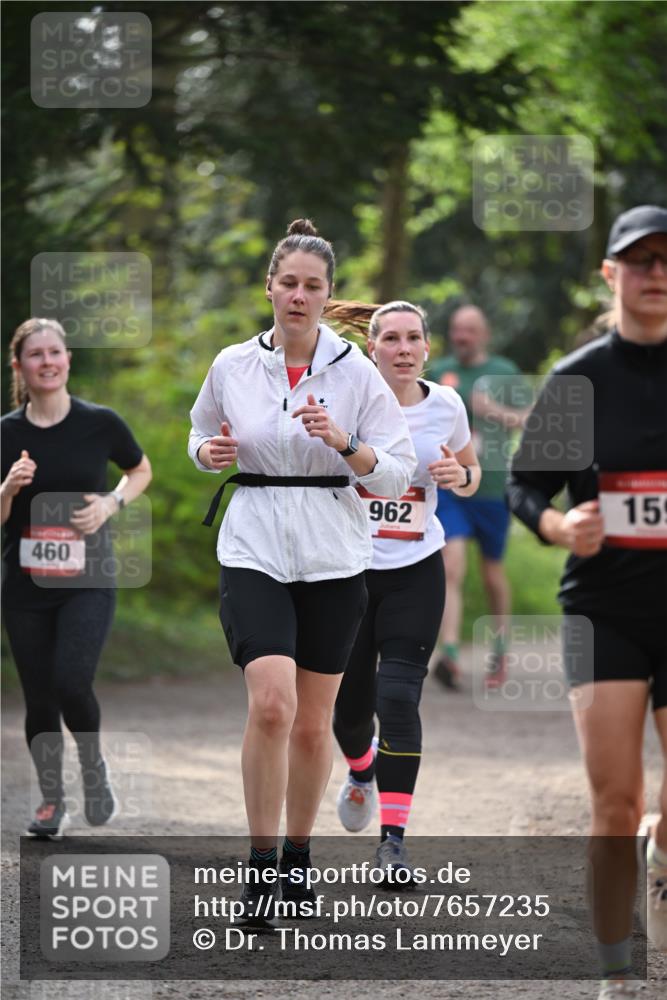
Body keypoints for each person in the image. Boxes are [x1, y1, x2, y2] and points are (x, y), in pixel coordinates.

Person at [188, 219, 416, 926]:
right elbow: (200, 432)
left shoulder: (356, 372)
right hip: (253, 543)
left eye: (311, 286)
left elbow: (398, 471)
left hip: (333, 552)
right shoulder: (232, 364)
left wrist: (346, 445)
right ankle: (259, 869)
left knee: (314, 727)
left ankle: (296, 856)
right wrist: (207, 453)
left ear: (326, 294)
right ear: (269, 287)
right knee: (271, 705)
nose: (297, 295)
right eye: (287, 282)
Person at [507, 205, 667, 999]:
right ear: (610, 274)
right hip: (604, 610)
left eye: (666, 260)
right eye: (639, 261)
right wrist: (557, 525)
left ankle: (659, 856)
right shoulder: (579, 380)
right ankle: (616, 975)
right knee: (615, 799)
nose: (655, 274)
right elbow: (524, 487)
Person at [331, 300, 480, 879]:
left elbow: (470, 473)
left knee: (397, 699)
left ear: (427, 347)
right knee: (349, 714)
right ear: (371, 348)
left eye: (413, 338)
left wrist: (458, 476)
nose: (403, 348)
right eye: (390, 338)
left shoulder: (446, 405)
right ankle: (361, 768)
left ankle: (393, 842)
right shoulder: (347, 399)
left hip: (416, 570)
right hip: (345, 571)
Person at [1, 317, 152, 838]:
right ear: (19, 366)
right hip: (25, 585)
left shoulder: (100, 423)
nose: (47, 361)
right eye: (35, 354)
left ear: (68, 359)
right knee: (39, 696)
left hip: (88, 579)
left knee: (71, 680)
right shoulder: (6, 434)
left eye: (55, 352)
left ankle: (92, 766)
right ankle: (51, 801)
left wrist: (111, 503)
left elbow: (140, 470)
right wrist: (8, 489)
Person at [428, 305, 529, 690]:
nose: (462, 336)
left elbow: (533, 420)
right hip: (451, 485)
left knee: (492, 574)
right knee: (450, 564)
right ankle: (450, 654)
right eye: (457, 329)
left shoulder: (505, 372)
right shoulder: (439, 372)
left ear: (484, 334)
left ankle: (500, 647)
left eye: (470, 330)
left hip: (492, 487)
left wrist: (495, 411)